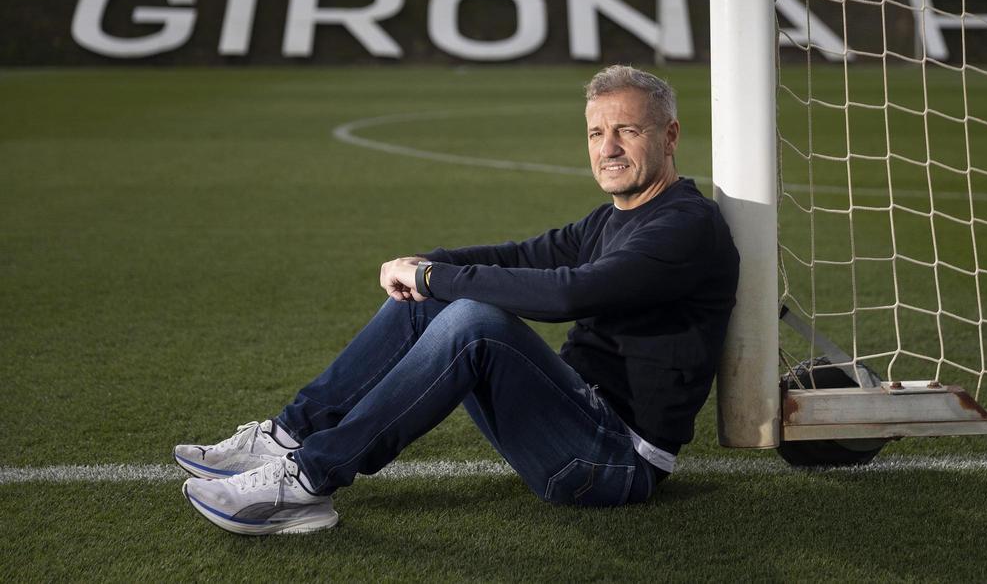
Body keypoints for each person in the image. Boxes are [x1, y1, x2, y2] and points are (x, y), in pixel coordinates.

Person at [176, 65, 740, 535]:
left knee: (472, 318)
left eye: (627, 131)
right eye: (596, 134)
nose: (608, 148)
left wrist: (435, 277)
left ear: (669, 137)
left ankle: (307, 481)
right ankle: (286, 437)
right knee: (433, 298)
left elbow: (571, 292)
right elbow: (523, 256)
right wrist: (430, 263)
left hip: (616, 461)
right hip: (575, 419)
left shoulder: (685, 225)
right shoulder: (614, 217)